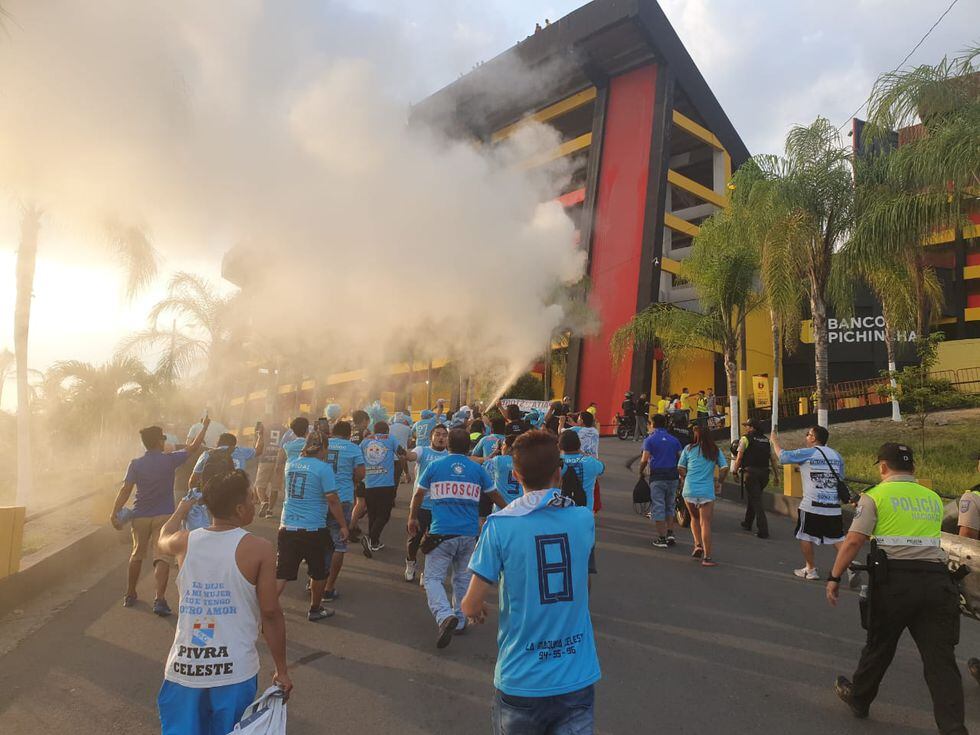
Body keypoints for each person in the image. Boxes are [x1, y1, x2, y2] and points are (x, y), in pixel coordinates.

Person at [461, 430, 601, 734]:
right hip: (576, 674)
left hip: (521, 677)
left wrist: (477, 609)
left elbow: (470, 605)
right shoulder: (583, 519)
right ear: (558, 473)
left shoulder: (500, 526)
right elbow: (584, 583)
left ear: (515, 475)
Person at [827, 444, 967, 734]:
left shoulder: (875, 496)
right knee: (941, 660)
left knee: (879, 646)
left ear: (882, 467)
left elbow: (853, 541)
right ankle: (954, 729)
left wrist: (835, 576)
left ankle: (860, 699)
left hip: (895, 584)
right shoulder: (932, 498)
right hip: (937, 584)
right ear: (913, 468)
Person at [156, 470, 292, 735]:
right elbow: (270, 612)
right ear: (240, 509)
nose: (254, 503)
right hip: (234, 671)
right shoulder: (260, 548)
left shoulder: (185, 542)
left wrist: (181, 510)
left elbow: (163, 537)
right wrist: (282, 670)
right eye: (251, 499)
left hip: (185, 668)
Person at [409, 427, 505, 648]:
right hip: (469, 534)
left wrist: (413, 517)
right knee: (462, 579)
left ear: (448, 445)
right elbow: (494, 495)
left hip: (441, 533)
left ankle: (444, 616)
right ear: (469, 446)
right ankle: (460, 621)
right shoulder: (477, 469)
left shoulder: (435, 466)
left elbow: (418, 494)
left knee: (433, 579)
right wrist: (512, 511)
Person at [110, 418, 210, 614]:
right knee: (162, 557)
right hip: (164, 516)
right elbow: (194, 447)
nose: (165, 441)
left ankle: (130, 594)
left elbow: (125, 490)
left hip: (140, 515)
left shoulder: (136, 464)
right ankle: (160, 599)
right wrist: (204, 427)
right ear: (158, 442)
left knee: (136, 555)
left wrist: (114, 511)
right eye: (163, 439)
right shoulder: (169, 459)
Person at [278, 430, 349, 621]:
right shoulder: (323, 468)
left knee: (282, 573)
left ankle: (266, 608)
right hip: (313, 528)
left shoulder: (291, 464)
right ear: (323, 447)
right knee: (319, 571)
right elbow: (332, 499)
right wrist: (343, 525)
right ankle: (315, 609)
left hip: (287, 526)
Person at [771, 425, 846, 580]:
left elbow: (783, 457)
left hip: (812, 505)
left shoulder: (807, 453)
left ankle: (810, 569)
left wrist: (774, 441)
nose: (806, 436)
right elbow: (841, 477)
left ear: (813, 438)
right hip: (833, 507)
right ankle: (851, 566)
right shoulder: (836, 455)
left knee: (805, 535)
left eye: (808, 434)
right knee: (837, 538)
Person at [322, 420, 365, 602]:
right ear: (349, 434)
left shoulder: (324, 445)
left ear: (333, 432)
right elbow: (361, 473)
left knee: (319, 542)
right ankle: (328, 587)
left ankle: (315, 581)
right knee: (338, 544)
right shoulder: (354, 448)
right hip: (343, 498)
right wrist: (351, 478)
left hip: (321, 498)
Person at [403, 423, 450, 583]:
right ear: (431, 437)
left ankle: (427, 571)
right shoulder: (422, 450)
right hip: (420, 505)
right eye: (438, 434)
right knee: (414, 540)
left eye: (444, 435)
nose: (441, 438)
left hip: (440, 507)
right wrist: (402, 451)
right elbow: (411, 456)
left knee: (434, 542)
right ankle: (411, 563)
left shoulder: (449, 456)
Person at [678, 424, 728, 567]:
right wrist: (719, 482)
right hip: (706, 491)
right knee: (705, 523)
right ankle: (707, 557)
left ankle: (697, 545)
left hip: (689, 490)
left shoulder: (688, 449)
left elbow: (680, 467)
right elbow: (724, 468)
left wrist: (685, 477)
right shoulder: (715, 450)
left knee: (694, 518)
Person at [360, 421, 405, 552]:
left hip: (369, 483)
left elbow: (358, 459)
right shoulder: (390, 438)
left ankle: (374, 543)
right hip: (386, 484)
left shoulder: (365, 441)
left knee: (373, 515)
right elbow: (402, 453)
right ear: (387, 430)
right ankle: (370, 538)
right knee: (384, 515)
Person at [640, 414, 683, 549]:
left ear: (652, 424)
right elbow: (680, 457)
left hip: (657, 476)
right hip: (673, 476)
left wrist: (641, 471)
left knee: (658, 506)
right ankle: (670, 533)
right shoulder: (674, 440)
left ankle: (661, 538)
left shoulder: (649, 440)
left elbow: (644, 459)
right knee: (670, 505)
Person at [733, 419, 779, 539]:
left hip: (751, 474)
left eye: (748, 426)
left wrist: (734, 471)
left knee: (756, 500)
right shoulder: (766, 440)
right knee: (754, 497)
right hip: (764, 474)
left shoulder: (745, 439)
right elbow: (773, 459)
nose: (746, 428)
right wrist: (777, 475)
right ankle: (747, 522)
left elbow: (739, 457)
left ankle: (763, 530)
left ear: (753, 427)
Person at [190, 429, 265, 491]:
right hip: (236, 492)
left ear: (217, 443)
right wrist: (260, 435)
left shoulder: (206, 454)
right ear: (234, 445)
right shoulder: (240, 451)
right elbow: (259, 450)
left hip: (212, 495)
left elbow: (193, 481)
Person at [558, 430, 604, 511]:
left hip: (561, 510)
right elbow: (602, 468)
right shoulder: (590, 462)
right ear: (579, 444)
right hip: (585, 511)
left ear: (559, 446)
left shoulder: (555, 462)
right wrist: (584, 454)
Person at [255, 420, 286, 518]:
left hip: (265, 459)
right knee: (275, 487)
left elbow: (258, 445)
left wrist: (258, 436)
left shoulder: (265, 428)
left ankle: (264, 502)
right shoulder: (285, 430)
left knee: (259, 485)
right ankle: (270, 510)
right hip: (278, 461)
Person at [484, 434, 523, 508]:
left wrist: (494, 452)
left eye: (503, 445)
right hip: (520, 506)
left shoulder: (497, 460)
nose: (501, 447)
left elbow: (484, 470)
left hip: (501, 508)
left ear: (510, 448)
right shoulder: (525, 461)